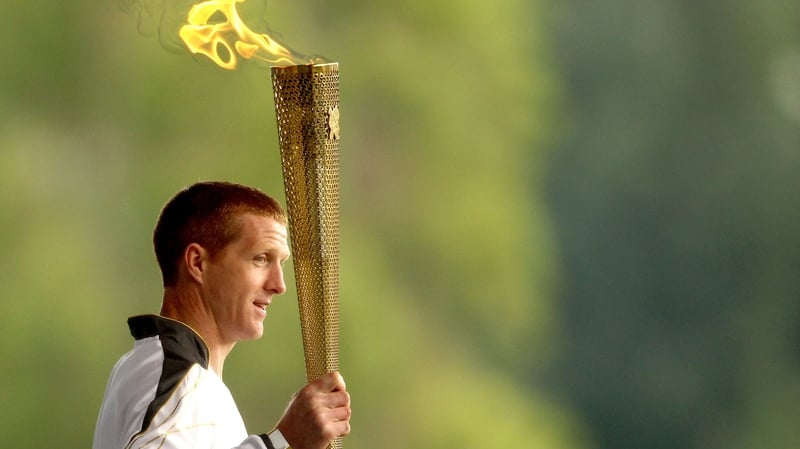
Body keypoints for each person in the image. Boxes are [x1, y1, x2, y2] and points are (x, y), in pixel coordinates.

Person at [92, 181, 351, 449]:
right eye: (261, 259)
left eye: (281, 263)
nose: (279, 285)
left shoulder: (148, 368)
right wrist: (282, 442)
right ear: (197, 263)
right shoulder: (183, 384)